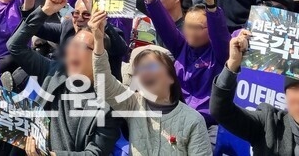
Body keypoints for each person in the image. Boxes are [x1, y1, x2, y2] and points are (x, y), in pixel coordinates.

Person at [8, 0, 121, 156]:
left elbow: (95, 153)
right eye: (71, 45)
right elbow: (15, 46)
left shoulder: (110, 103)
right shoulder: (54, 71)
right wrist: (44, 11)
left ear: (99, 55)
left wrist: (51, 155)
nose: (70, 50)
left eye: (80, 46)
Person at [90, 10, 212, 156]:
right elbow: (104, 85)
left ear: (171, 77)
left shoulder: (193, 120)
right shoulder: (133, 104)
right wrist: (98, 40)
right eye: (139, 69)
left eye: (152, 66)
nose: (145, 73)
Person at [142, 0, 229, 131]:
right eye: (187, 26)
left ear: (210, 29)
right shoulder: (182, 46)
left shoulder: (221, 54)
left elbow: (220, 33)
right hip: (176, 117)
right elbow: (163, 23)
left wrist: (211, 4)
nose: (190, 32)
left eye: (196, 27)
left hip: (206, 126)